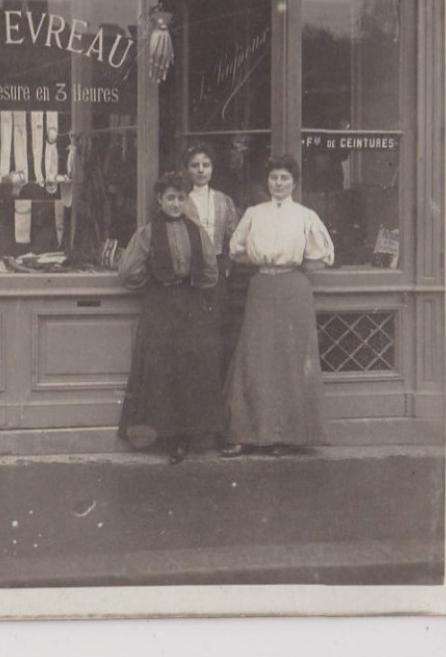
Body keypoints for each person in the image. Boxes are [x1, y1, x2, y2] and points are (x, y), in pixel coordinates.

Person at [220, 154, 335, 457]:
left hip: (293, 289)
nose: (279, 183)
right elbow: (236, 250)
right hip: (261, 287)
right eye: (274, 178)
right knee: (255, 357)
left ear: (294, 183)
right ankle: (249, 434)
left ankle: (286, 436)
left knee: (290, 357)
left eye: (285, 178)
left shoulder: (305, 215)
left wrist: (290, 265)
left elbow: (322, 256)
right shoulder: (255, 213)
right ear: (267, 182)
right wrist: (263, 262)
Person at [117, 171, 224, 464]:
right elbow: (128, 272)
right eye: (170, 198)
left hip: (189, 304)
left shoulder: (197, 231)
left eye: (180, 198)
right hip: (160, 304)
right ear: (159, 200)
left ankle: (187, 435)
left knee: (191, 367)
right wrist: (153, 283)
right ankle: (165, 434)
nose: (176, 204)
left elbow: (210, 273)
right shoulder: (148, 232)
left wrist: (194, 288)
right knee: (161, 368)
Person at [182, 142, 239, 378]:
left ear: (213, 168)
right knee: (192, 332)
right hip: (189, 273)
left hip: (217, 273)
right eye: (195, 165)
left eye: (206, 165)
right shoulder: (181, 201)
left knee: (215, 330)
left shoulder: (223, 200)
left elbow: (233, 238)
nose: (201, 170)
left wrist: (227, 265)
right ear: (187, 170)